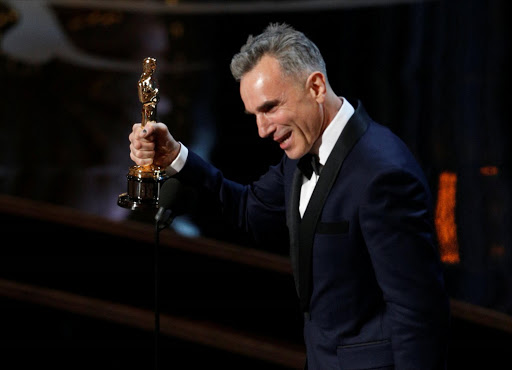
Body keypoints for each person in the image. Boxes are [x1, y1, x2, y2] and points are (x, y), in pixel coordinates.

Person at [129, 23, 450, 369]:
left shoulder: (384, 174)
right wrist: (175, 156)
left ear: (315, 86)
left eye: (269, 108)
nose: (262, 130)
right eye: (254, 116)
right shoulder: (299, 154)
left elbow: (417, 313)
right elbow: (248, 211)